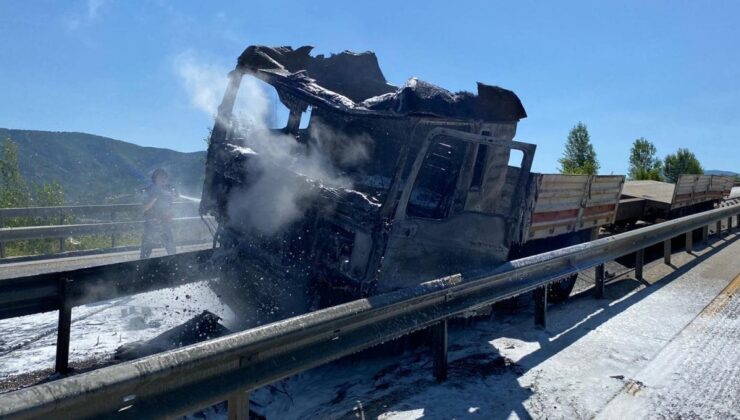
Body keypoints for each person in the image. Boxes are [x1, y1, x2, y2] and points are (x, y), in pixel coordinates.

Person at [140, 168, 178, 259]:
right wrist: (155, 197)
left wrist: (170, 214)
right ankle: (141, 270)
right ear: (155, 179)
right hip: (151, 225)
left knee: (172, 251)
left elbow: (172, 206)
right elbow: (144, 208)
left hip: (165, 224)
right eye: (160, 177)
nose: (163, 179)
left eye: (165, 177)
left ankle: (174, 267)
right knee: (145, 253)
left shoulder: (168, 190)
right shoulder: (148, 191)